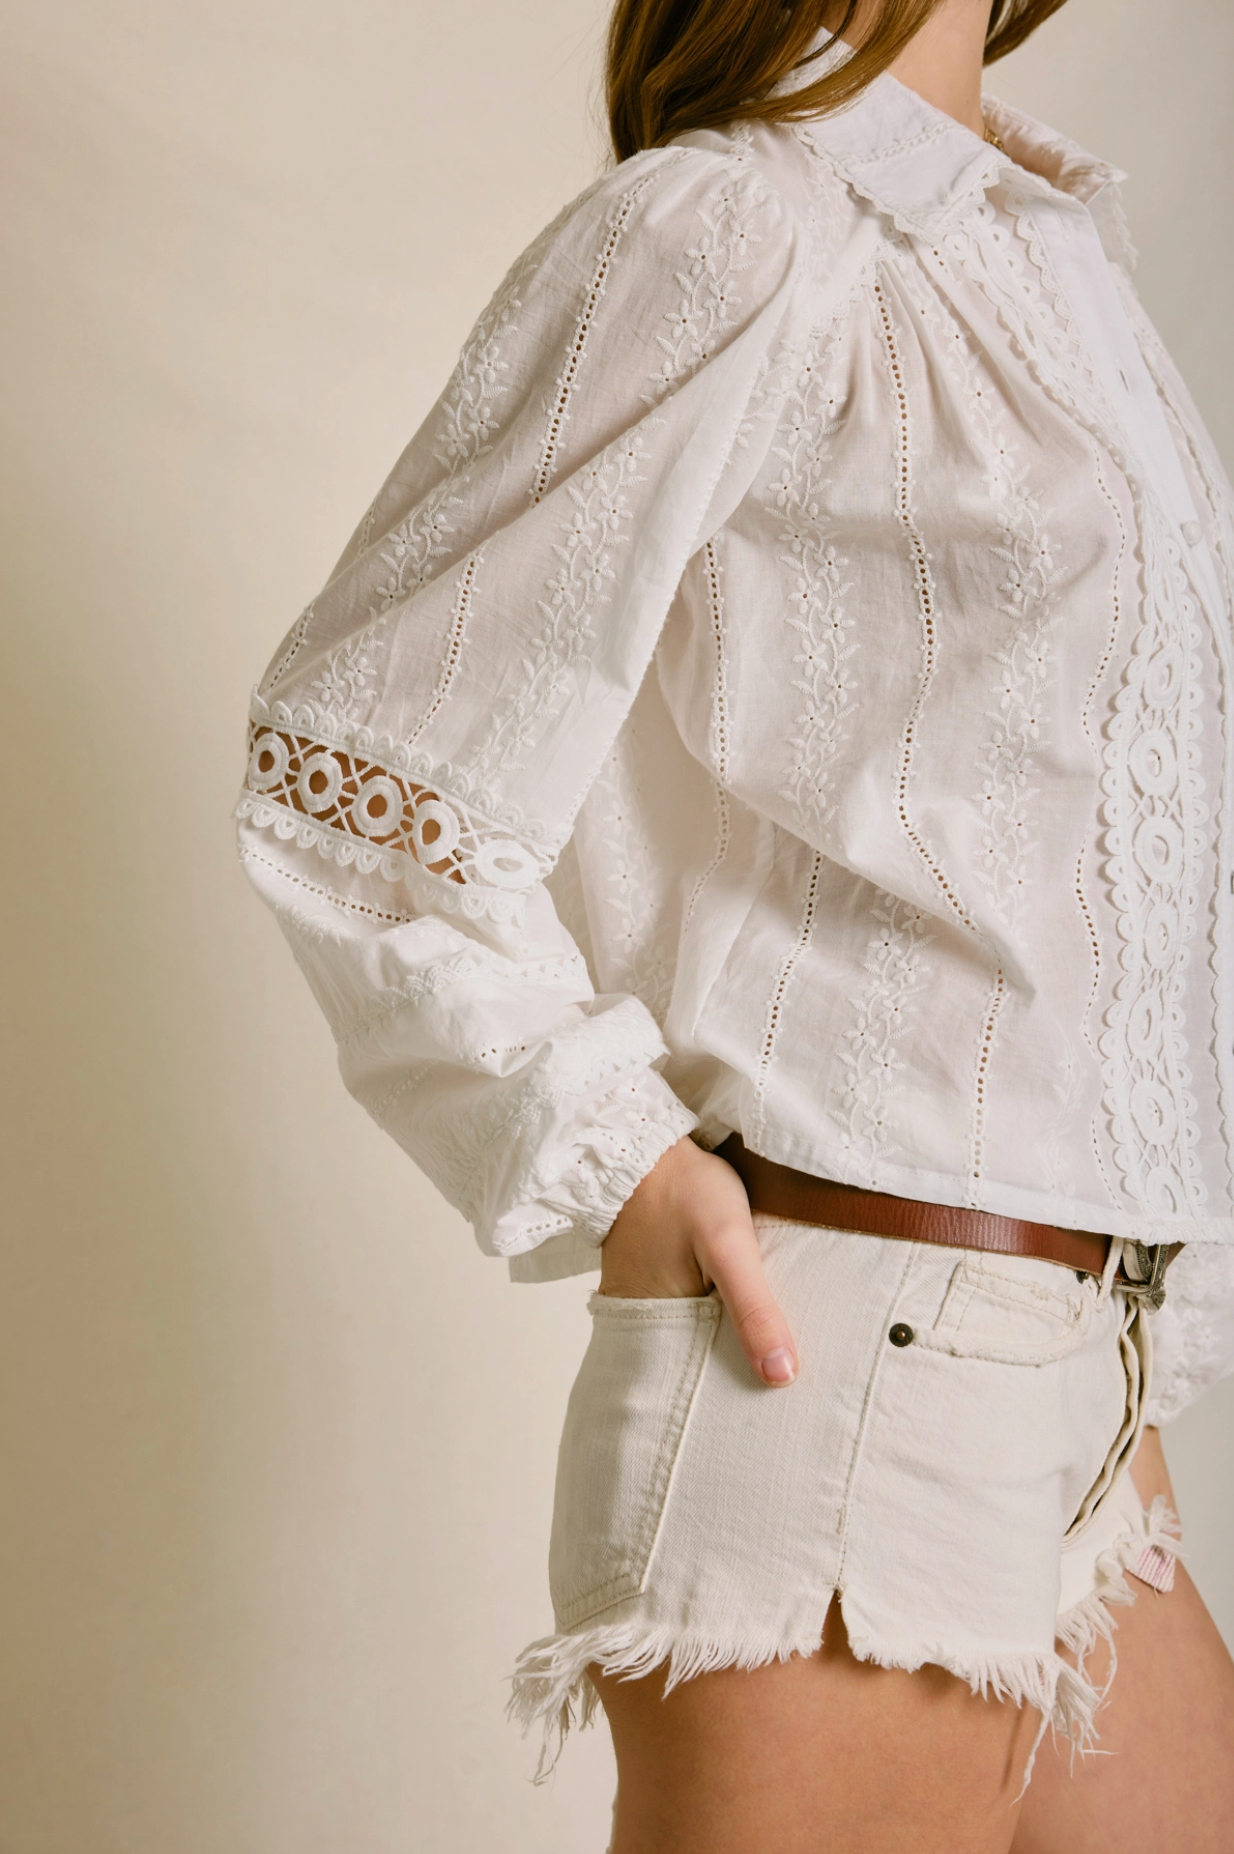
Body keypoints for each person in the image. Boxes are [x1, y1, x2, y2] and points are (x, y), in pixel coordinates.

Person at [235, 0, 1234, 1844]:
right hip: (840, 1363)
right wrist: (623, 1161)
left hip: (1085, 1394)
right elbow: (349, 769)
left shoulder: (1049, 261)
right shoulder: (728, 230)